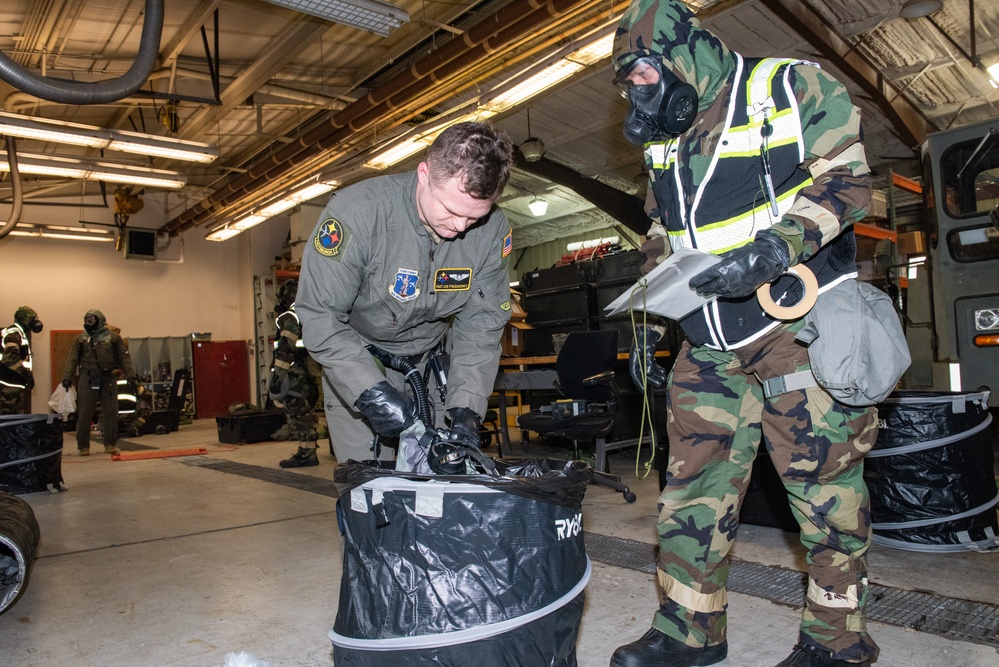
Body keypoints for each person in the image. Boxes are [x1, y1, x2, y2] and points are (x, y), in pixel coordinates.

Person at [611, 2, 879, 666]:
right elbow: (659, 232)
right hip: (706, 339)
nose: (639, 95)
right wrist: (650, 310)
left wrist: (776, 247)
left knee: (823, 492)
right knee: (691, 493)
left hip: (797, 322)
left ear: (684, 56)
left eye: (645, 76)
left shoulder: (789, 87)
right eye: (628, 84)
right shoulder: (663, 135)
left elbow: (850, 184)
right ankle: (689, 630)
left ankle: (837, 639)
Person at [296, 121, 513, 467]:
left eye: (474, 217)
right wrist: (369, 393)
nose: (459, 227)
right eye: (452, 210)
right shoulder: (358, 215)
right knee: (369, 493)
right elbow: (319, 314)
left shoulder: (492, 232)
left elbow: (483, 322)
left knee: (444, 492)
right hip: (357, 361)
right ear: (424, 173)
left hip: (431, 366)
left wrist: (467, 405)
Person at [62, 310, 135, 455]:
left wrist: (131, 375)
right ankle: (83, 446)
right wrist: (67, 377)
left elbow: (124, 357)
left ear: (100, 320)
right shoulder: (81, 339)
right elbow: (72, 358)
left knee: (111, 412)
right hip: (88, 377)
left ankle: (110, 444)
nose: (88, 323)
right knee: (84, 413)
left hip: (108, 378)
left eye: (92, 320)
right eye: (87, 320)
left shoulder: (113, 338)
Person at [269, 278, 322, 468]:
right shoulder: (307, 314)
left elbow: (286, 345)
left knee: (299, 414)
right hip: (309, 370)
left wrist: (278, 374)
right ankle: (306, 451)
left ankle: (306, 454)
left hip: (294, 374)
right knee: (304, 412)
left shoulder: (289, 316)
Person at [0, 306, 43, 415]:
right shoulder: (14, 334)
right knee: (9, 424)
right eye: (32, 320)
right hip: (7, 390)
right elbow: (9, 358)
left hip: (13, 387)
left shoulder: (19, 334)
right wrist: (26, 374)